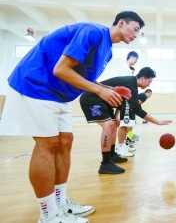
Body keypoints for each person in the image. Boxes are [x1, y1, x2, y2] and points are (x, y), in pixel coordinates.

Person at [0, 11, 145, 222]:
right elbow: (61, 69)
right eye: (135, 29)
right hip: (38, 84)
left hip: (60, 95)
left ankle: (61, 203)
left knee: (65, 142)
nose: (136, 34)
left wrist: (110, 88)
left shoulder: (108, 51)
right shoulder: (92, 32)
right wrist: (100, 91)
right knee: (47, 144)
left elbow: (84, 78)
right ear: (121, 23)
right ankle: (48, 214)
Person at [79, 68, 171, 175]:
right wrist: (158, 122)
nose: (149, 85)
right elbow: (137, 109)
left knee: (113, 124)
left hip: (103, 101)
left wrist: (116, 116)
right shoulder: (131, 85)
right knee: (108, 126)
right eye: (149, 82)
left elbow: (122, 100)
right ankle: (105, 163)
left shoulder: (131, 84)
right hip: (91, 98)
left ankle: (112, 155)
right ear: (142, 78)